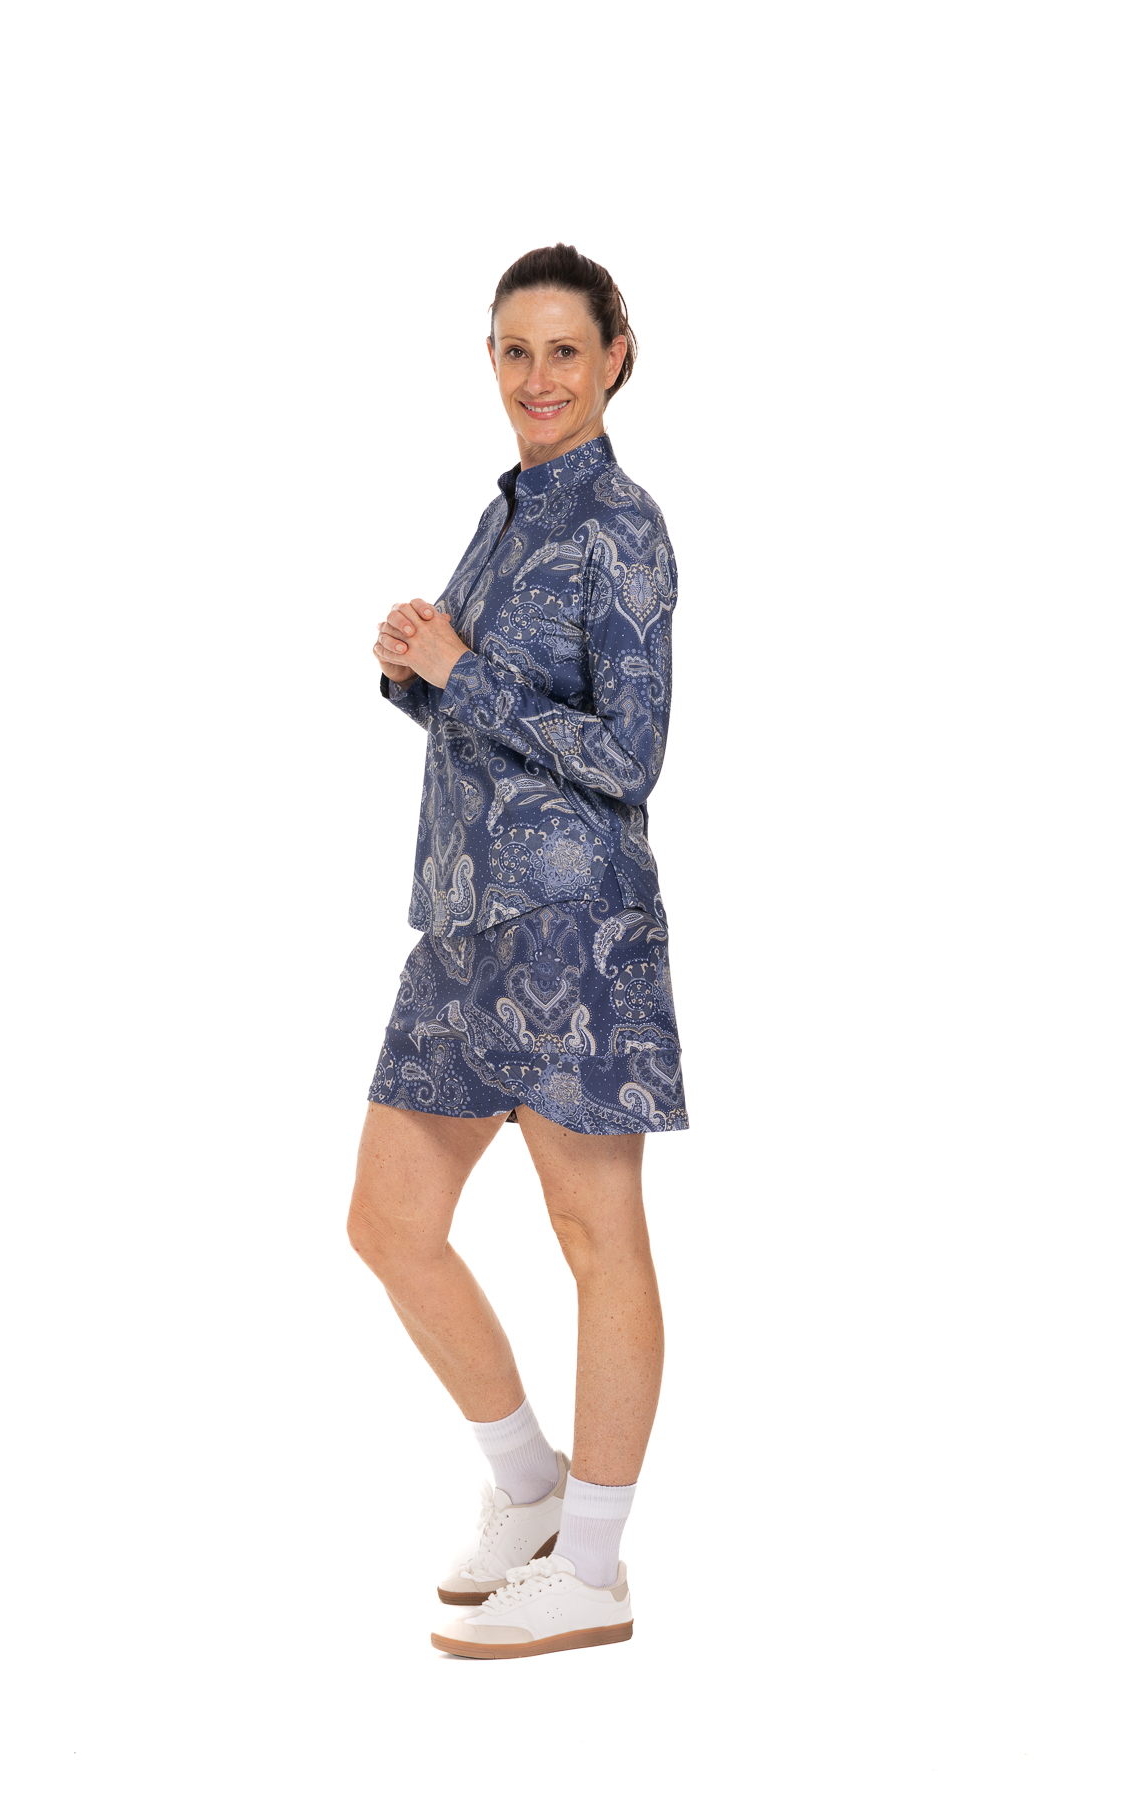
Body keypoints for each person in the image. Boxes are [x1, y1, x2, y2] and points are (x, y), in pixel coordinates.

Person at [348, 243, 687, 1659]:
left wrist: (461, 671)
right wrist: (414, 667)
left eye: (563, 350)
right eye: (513, 351)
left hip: (574, 926)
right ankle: (531, 1489)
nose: (537, 377)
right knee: (388, 1223)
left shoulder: (623, 527)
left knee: (594, 1234)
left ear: (615, 358)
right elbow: (483, 708)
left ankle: (593, 1567)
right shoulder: (505, 515)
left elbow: (628, 754)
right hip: (462, 926)